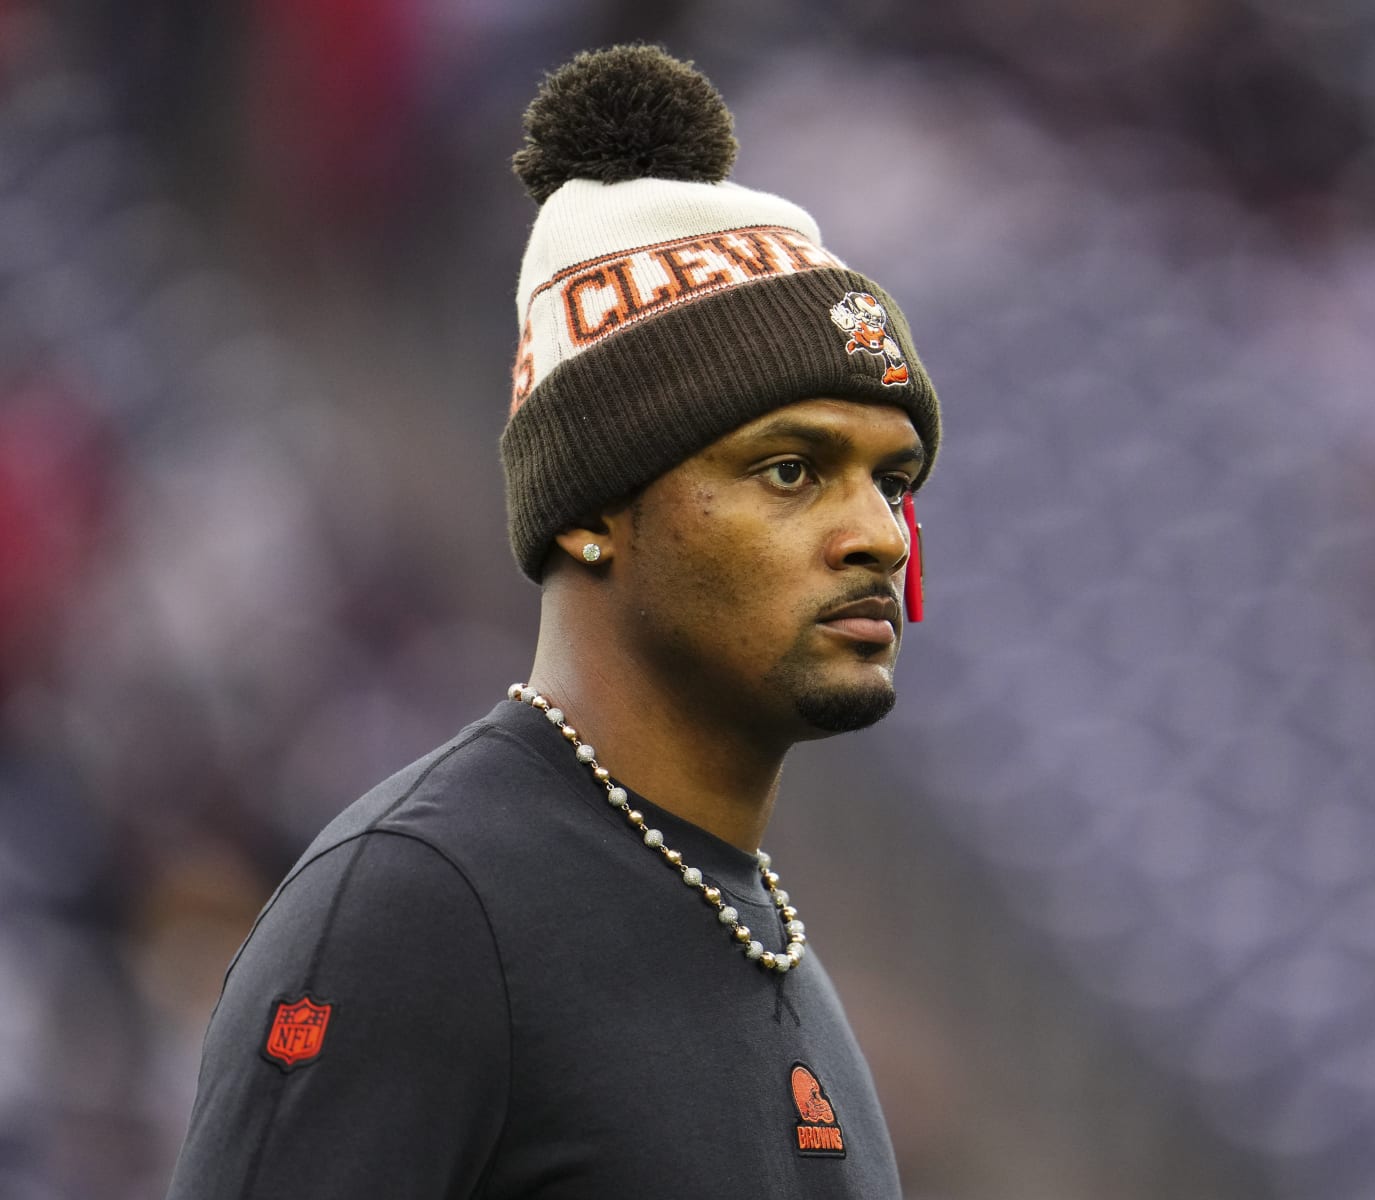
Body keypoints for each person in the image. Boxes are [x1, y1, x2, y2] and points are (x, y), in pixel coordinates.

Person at [165, 44, 939, 1199]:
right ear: (593, 513)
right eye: (791, 470)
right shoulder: (420, 905)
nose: (877, 533)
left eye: (893, 480)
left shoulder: (775, 952)